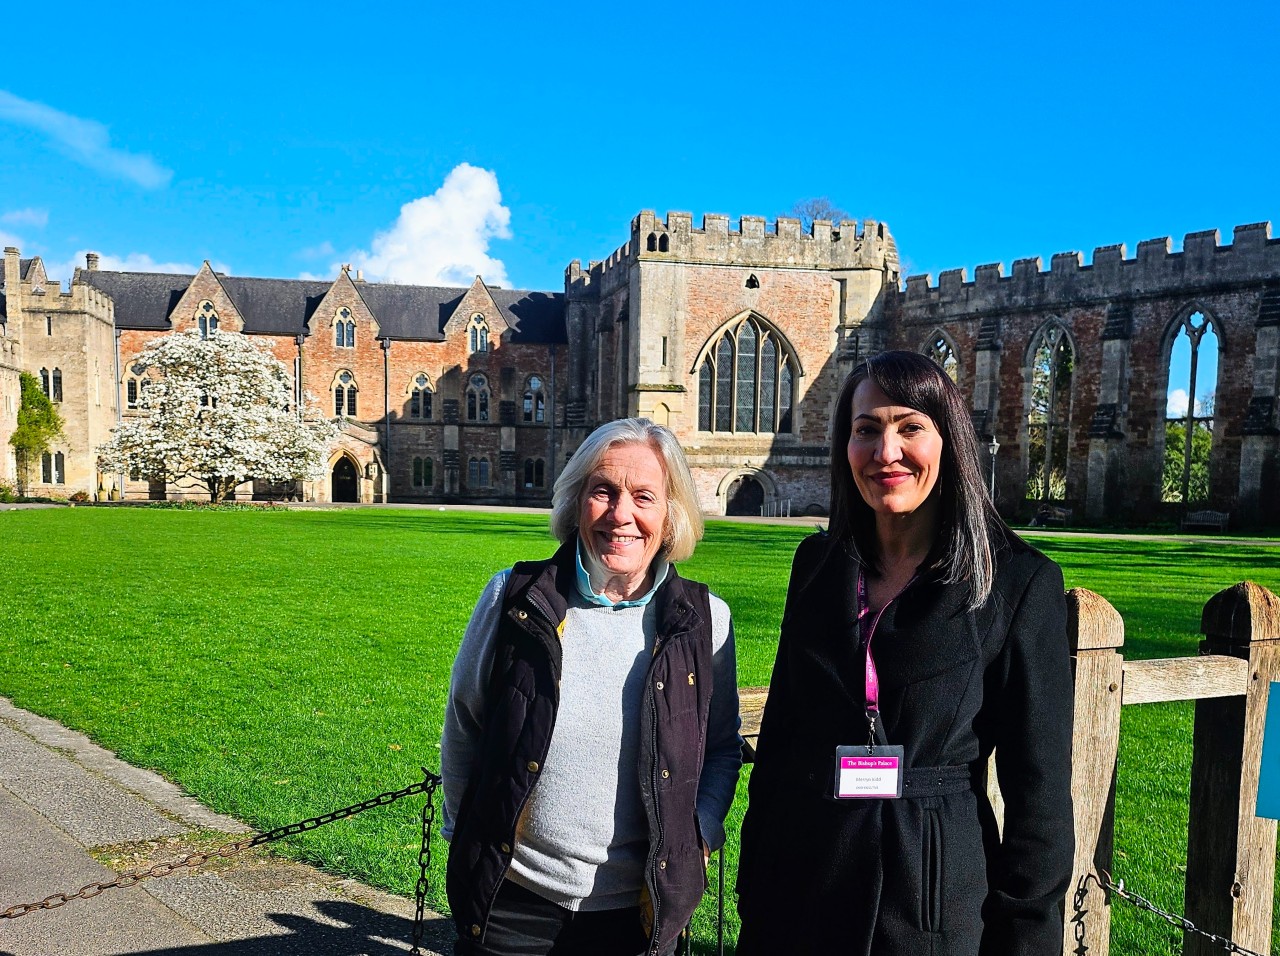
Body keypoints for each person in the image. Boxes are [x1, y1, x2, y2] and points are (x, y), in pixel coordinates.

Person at [736, 351, 1074, 956]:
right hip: (804, 887)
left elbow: (1039, 801)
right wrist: (755, 895)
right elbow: (781, 745)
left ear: (949, 442)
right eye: (866, 430)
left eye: (910, 427)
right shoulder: (816, 568)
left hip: (932, 900)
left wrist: (1028, 941)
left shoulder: (1016, 584)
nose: (885, 451)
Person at [441, 417, 741, 956]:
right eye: (604, 491)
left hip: (640, 910)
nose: (621, 514)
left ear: (670, 514)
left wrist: (702, 831)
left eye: (644, 497)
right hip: (517, 900)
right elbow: (466, 724)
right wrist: (465, 839)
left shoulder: (704, 619)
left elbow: (721, 746)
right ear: (578, 500)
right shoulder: (514, 597)